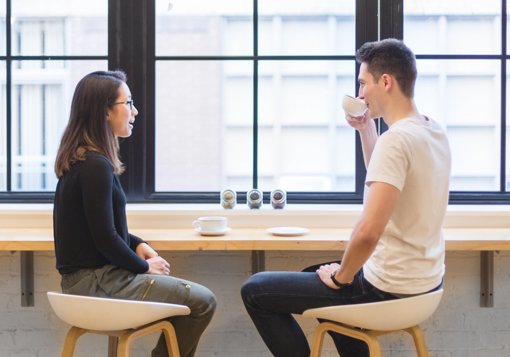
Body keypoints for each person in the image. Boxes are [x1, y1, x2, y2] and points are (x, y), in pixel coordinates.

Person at [241, 38, 451, 357]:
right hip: (425, 283)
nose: (360, 93)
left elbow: (368, 233)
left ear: (386, 82)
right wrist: (366, 130)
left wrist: (342, 277)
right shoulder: (431, 131)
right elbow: (386, 178)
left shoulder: (396, 141)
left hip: (388, 288)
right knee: (311, 278)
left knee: (256, 291)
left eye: (362, 83)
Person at [53, 70, 216, 357]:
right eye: (127, 103)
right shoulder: (95, 167)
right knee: (203, 301)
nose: (135, 111)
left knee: (186, 298)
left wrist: (137, 243)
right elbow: (105, 238)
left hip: (89, 281)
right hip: (97, 284)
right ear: (104, 111)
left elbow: (102, 228)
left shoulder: (85, 160)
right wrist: (144, 267)